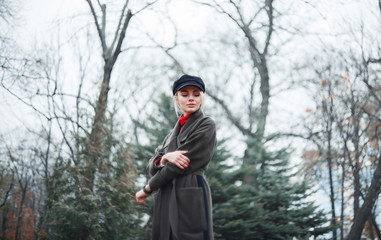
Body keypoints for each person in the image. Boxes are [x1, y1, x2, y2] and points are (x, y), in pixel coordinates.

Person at [135, 74, 217, 240]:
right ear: (177, 99)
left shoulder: (206, 125)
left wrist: (147, 189)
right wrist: (165, 157)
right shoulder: (171, 134)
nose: (191, 98)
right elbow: (152, 166)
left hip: (190, 189)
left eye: (196, 94)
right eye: (184, 94)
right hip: (166, 193)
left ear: (202, 98)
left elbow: (178, 165)